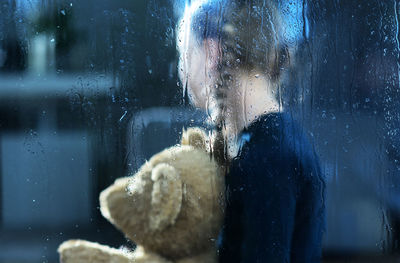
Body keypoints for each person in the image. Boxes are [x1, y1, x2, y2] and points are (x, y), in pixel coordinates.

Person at [177, 0, 326, 262]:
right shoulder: (266, 145)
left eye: (185, 54)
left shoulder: (269, 157)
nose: (181, 71)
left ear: (213, 54)